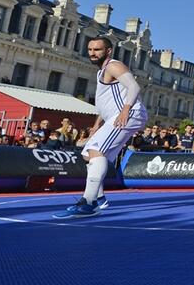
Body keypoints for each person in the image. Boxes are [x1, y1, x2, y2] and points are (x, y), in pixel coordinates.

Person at [54, 37, 148, 219]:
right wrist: (97, 125)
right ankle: (99, 197)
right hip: (116, 116)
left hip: (128, 114)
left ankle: (88, 203)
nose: (92, 53)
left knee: (96, 151)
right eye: (90, 49)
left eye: (97, 49)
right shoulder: (101, 72)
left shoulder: (113, 66)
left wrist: (126, 109)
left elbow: (134, 86)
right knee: (88, 154)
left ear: (108, 51)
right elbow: (106, 104)